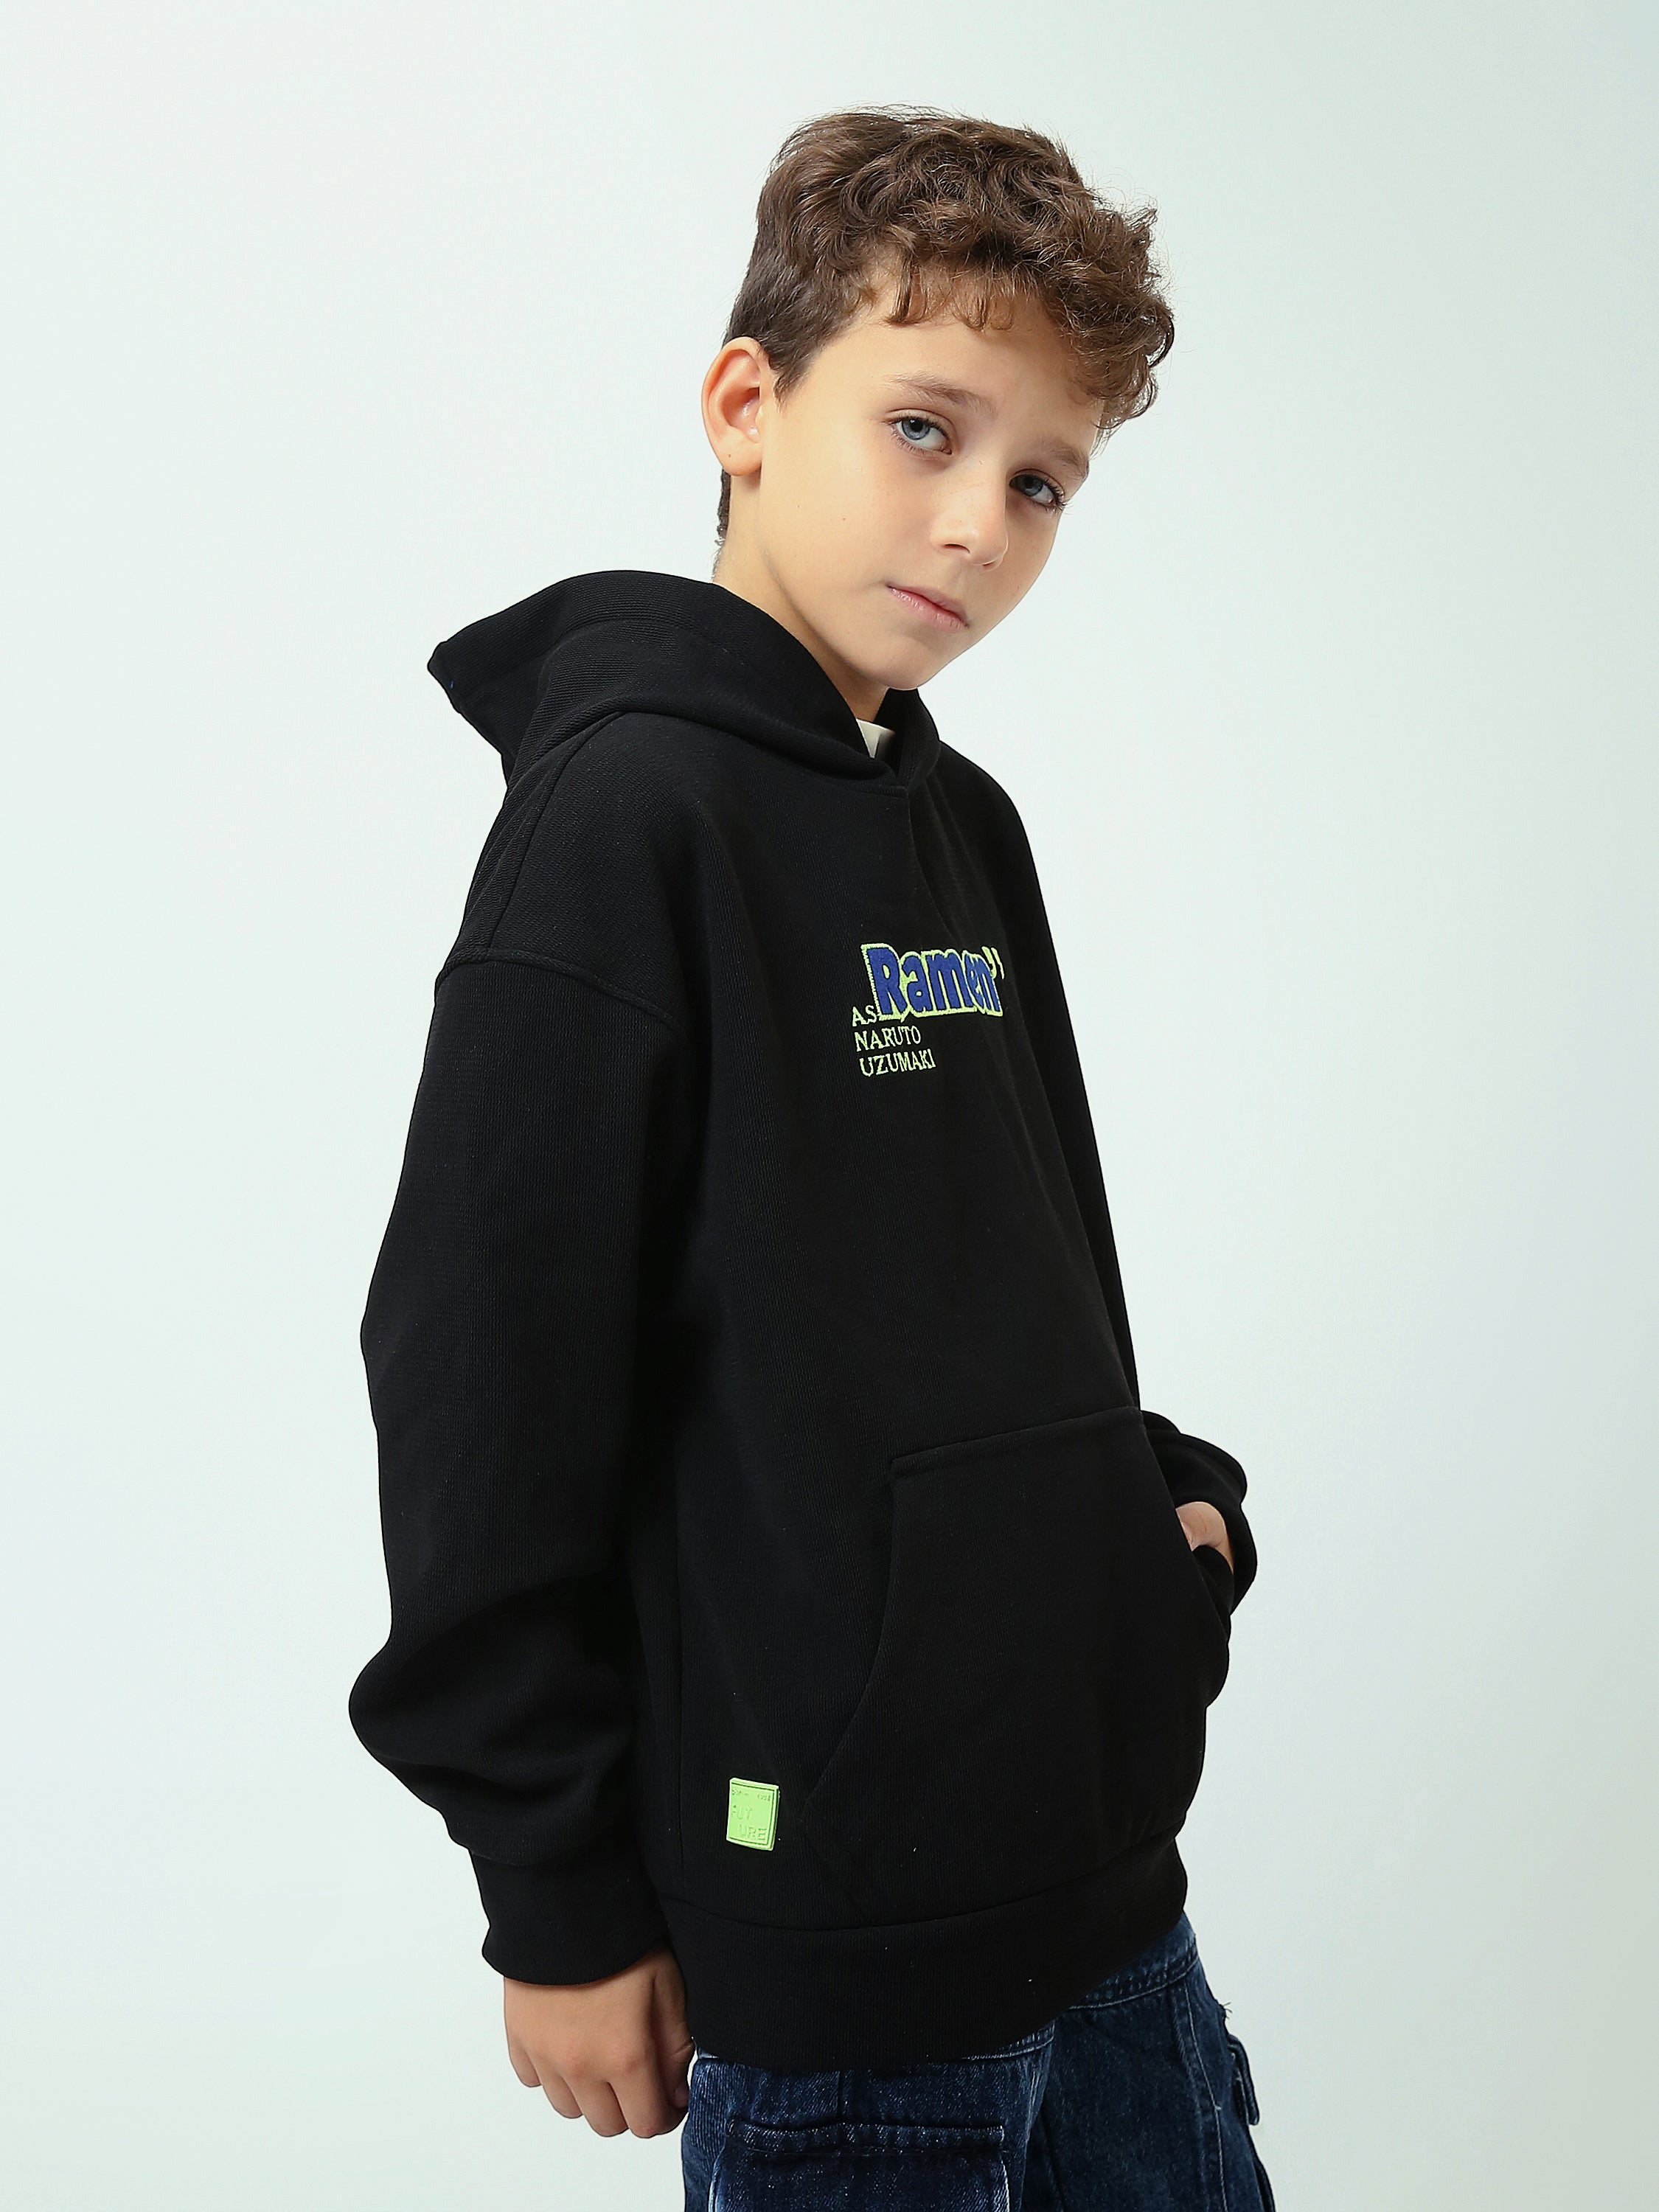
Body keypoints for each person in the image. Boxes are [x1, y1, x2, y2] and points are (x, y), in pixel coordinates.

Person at [349, 104, 1275, 2209]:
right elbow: (480, 1374)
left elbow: (1026, 1277)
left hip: (1110, 1909)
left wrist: (1156, 1528)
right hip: (842, 1969)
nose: (978, 525)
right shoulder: (627, 822)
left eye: (1040, 481)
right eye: (925, 428)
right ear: (746, 407)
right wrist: (556, 1895)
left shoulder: (960, 822)